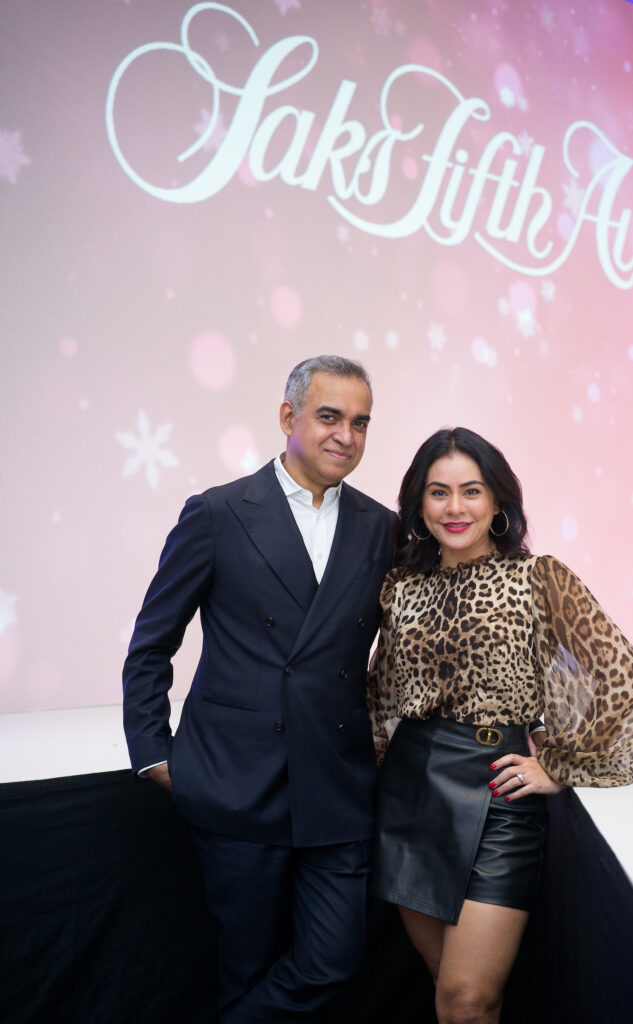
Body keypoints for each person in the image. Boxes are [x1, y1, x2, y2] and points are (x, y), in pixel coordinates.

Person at [122, 355, 394, 1022]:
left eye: (360, 423)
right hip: (237, 780)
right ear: (288, 417)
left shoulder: (383, 527)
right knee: (244, 966)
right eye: (329, 417)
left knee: (335, 959)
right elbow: (152, 643)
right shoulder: (217, 513)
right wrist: (154, 751)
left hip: (335, 784)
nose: (346, 436)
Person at [367, 427, 633, 1024]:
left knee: (468, 998)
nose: (455, 507)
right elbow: (382, 692)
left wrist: (561, 763)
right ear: (418, 504)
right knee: (449, 993)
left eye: (472, 490)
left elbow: (620, 673)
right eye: (438, 493)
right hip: (408, 797)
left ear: (498, 501)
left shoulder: (539, 577)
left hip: (496, 794)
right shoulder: (400, 587)